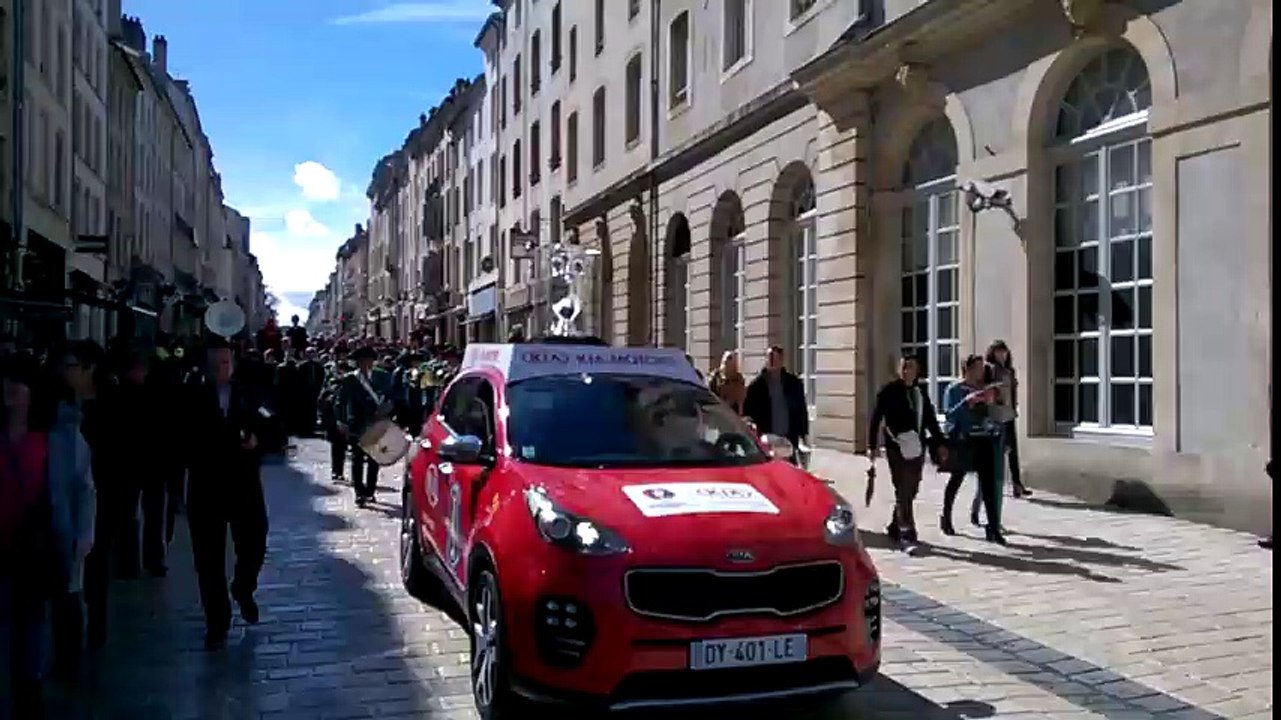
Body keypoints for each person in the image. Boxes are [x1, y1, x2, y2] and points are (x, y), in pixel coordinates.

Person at [182, 340, 269, 650]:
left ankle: (243, 588)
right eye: (216, 363)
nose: (222, 368)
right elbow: (178, 436)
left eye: (226, 362)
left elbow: (273, 424)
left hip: (244, 484)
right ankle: (216, 622)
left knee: (255, 543)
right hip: (206, 488)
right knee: (208, 560)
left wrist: (258, 439)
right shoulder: (190, 394)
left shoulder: (250, 394)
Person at [0, 353, 60, 718]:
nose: (9, 390)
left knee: (31, 624)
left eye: (17, 384)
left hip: (33, 547)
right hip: (1, 544)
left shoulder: (48, 440)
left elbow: (68, 491)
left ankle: (29, 691)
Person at [46, 356, 97, 683]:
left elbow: (84, 486)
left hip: (64, 529)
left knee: (67, 598)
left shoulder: (67, 434)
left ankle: (68, 662)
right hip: (46, 528)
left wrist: (84, 531)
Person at [867, 354, 947, 546]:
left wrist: (940, 442)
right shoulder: (888, 391)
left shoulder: (920, 394)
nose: (906, 371)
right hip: (896, 447)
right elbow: (876, 418)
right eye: (903, 367)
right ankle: (907, 532)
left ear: (916, 370)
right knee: (902, 487)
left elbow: (930, 420)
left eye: (909, 367)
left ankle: (895, 525)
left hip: (917, 447)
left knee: (912, 487)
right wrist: (872, 446)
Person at [940, 355, 1007, 545]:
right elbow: (950, 416)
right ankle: (946, 516)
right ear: (967, 369)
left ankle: (993, 528)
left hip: (984, 440)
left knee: (988, 485)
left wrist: (993, 403)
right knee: (957, 478)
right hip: (964, 440)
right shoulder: (954, 389)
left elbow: (993, 414)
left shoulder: (984, 389)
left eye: (982, 368)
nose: (981, 371)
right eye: (977, 368)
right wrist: (966, 403)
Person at [339, 346, 391, 507]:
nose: (365, 364)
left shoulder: (382, 377)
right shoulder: (351, 379)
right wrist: (342, 421)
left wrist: (388, 408)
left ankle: (370, 490)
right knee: (357, 459)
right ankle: (359, 493)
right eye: (361, 361)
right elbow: (342, 401)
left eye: (368, 360)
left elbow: (391, 395)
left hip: (376, 422)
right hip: (357, 423)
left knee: (374, 459)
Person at [743, 346, 809, 455]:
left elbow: (801, 410)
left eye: (775, 358)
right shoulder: (756, 387)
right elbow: (749, 414)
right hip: (766, 439)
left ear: (782, 360)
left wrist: (803, 434)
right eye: (770, 358)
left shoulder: (794, 384)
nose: (772, 361)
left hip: (789, 439)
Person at [707, 350, 747, 414]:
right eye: (726, 362)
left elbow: (741, 401)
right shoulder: (715, 378)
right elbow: (710, 397)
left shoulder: (739, 379)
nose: (727, 365)